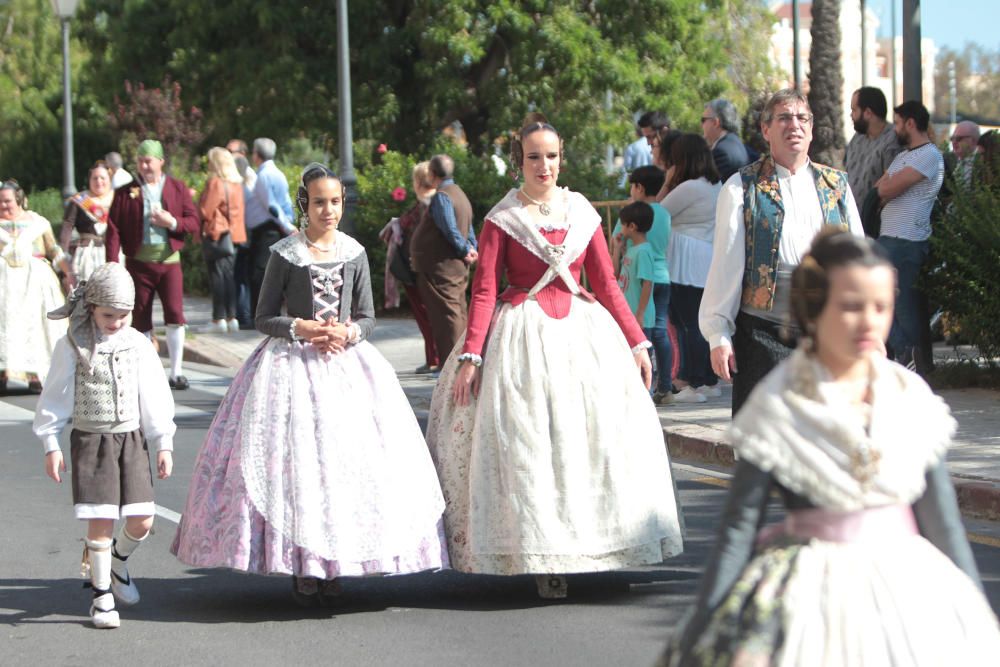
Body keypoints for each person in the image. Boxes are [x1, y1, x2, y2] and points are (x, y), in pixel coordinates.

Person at [661, 230, 1000, 665]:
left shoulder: (910, 397)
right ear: (814, 309)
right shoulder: (781, 402)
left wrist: (974, 614)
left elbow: (944, 525)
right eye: (851, 306)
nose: (868, 321)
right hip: (808, 595)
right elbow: (738, 530)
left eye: (881, 307)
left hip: (910, 591)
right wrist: (700, 626)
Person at [425, 115, 684, 600]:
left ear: (561, 159)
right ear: (519, 162)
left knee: (587, 443)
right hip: (520, 337)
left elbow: (605, 284)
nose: (543, 165)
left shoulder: (582, 211)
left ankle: (597, 544)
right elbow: (483, 292)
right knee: (531, 445)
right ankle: (543, 555)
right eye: (533, 157)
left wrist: (636, 342)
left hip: (583, 338)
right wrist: (473, 355)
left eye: (551, 156)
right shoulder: (502, 218)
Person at [171, 164, 448, 605]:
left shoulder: (355, 253)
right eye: (319, 202)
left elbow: (368, 316)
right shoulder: (285, 253)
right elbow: (262, 317)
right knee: (299, 470)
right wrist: (300, 327)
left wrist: (349, 333)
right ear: (305, 204)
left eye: (335, 201)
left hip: (348, 369)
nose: (328, 210)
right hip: (292, 366)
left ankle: (336, 561)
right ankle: (304, 563)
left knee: (344, 470)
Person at [700, 88, 864, 414]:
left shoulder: (837, 186)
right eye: (784, 118)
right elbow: (725, 266)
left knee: (825, 440)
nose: (795, 126)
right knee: (764, 446)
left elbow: (858, 262)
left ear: (812, 129)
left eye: (802, 118)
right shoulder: (740, 187)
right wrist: (718, 333)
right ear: (766, 129)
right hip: (762, 336)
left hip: (825, 335)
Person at [33, 262, 175, 629]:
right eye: (109, 315)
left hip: (131, 439)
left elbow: (155, 396)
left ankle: (117, 562)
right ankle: (101, 598)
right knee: (101, 519)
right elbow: (54, 397)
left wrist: (163, 442)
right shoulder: (73, 346)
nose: (116, 322)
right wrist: (51, 443)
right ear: (91, 308)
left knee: (142, 520)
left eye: (124, 316)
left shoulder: (138, 344)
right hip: (91, 440)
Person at [106, 139, 199, 390]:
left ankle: (176, 371)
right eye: (140, 161)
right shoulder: (125, 192)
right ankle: (146, 371)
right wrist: (113, 264)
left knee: (175, 314)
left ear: (161, 162)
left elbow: (193, 222)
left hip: (170, 262)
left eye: (149, 161)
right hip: (139, 264)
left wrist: (172, 222)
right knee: (141, 317)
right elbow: (113, 230)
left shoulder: (177, 188)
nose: (144, 166)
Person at [875, 100, 944, 370]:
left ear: (911, 123)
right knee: (879, 300)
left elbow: (886, 190)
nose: (895, 129)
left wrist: (887, 187)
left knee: (904, 305)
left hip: (908, 241)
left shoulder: (930, 155)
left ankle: (914, 361)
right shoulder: (902, 157)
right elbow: (878, 186)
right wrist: (886, 187)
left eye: (899, 123)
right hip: (886, 238)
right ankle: (905, 352)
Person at [611, 167, 681, 404]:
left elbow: (618, 241)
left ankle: (644, 385)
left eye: (632, 186)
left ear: (639, 187)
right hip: (663, 275)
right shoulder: (664, 213)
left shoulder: (633, 214)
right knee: (660, 332)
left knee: (642, 335)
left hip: (641, 280)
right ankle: (665, 386)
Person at [662, 134, 723, 401]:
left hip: (685, 261)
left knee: (687, 323)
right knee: (696, 321)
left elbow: (657, 212)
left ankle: (692, 378)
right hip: (702, 257)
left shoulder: (690, 188)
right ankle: (705, 378)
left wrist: (666, 181)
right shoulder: (714, 184)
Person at [0, 179, 69, 392]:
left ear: (19, 199)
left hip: (35, 284)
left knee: (37, 327)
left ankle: (37, 375)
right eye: (0, 202)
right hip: (4, 287)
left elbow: (53, 249)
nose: (4, 206)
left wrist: (66, 274)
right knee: (5, 327)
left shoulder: (38, 223)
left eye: (8, 201)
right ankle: (4, 373)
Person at [409, 154, 478, 364]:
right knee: (456, 311)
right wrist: (472, 247)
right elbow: (469, 226)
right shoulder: (460, 193)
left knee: (447, 317)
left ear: (431, 174)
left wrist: (464, 248)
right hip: (452, 266)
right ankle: (460, 361)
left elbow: (449, 228)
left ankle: (454, 365)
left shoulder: (442, 196)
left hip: (441, 268)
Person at [381, 161, 440, 374]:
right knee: (428, 315)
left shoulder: (427, 204)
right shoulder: (430, 203)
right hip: (420, 270)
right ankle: (432, 357)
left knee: (427, 316)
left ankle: (434, 357)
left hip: (419, 271)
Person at [245, 138, 295, 318]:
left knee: (260, 272)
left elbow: (272, 206)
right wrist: (289, 221)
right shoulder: (278, 173)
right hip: (276, 228)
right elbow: (286, 202)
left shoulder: (264, 176)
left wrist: (287, 226)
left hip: (267, 230)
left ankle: (261, 314)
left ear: (257, 155)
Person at [198, 147, 247, 333]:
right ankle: (231, 317)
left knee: (217, 277)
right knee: (229, 277)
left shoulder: (215, 183)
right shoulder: (236, 184)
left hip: (218, 235)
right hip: (234, 236)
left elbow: (205, 211)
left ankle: (218, 319)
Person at [61, 161, 117, 285]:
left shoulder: (118, 199)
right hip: (87, 254)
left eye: (103, 178)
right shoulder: (80, 200)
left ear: (110, 179)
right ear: (89, 180)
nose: (98, 181)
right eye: (95, 178)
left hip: (113, 252)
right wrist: (63, 253)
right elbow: (67, 226)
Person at [844, 86, 903, 205]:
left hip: (876, 220)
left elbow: (891, 185)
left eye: (854, 110)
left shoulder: (892, 141)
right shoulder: (857, 138)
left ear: (868, 113)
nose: (851, 115)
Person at [701, 99, 750, 181]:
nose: (701, 125)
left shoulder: (721, 152)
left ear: (715, 122)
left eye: (703, 120)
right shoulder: (735, 143)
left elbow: (708, 188)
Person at [949, 120, 981, 188]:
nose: (954, 142)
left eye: (958, 138)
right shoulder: (946, 160)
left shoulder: (984, 163)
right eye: (952, 138)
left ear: (974, 141)